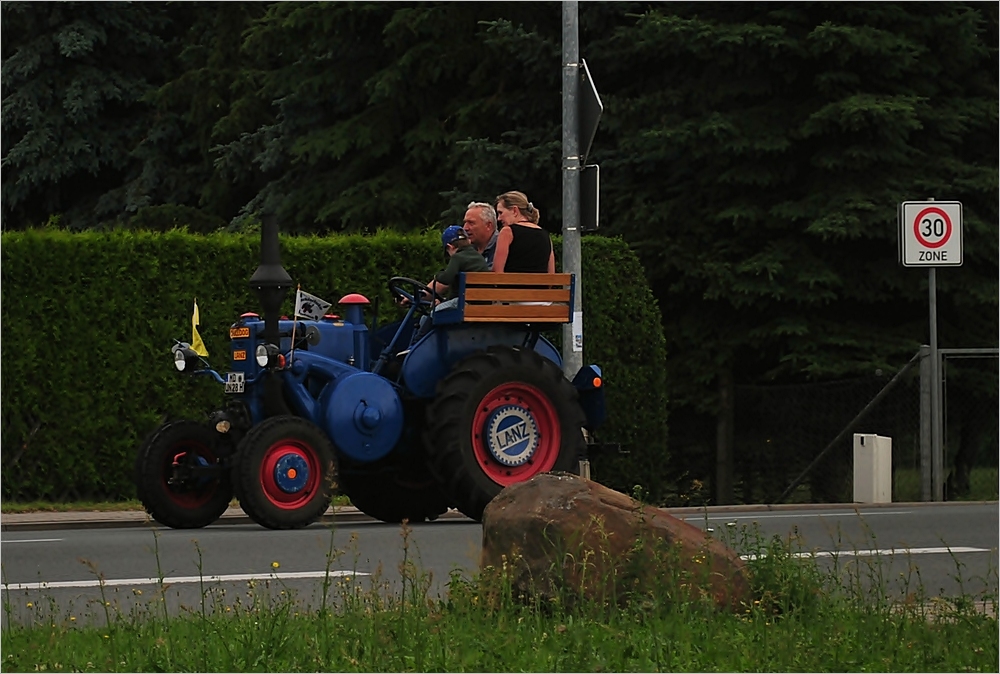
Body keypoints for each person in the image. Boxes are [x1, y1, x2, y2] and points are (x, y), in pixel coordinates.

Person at [411, 225, 488, 339]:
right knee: (443, 306)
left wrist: (437, 276)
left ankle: (416, 343)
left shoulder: (457, 257)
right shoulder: (478, 256)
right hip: (481, 301)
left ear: (449, 247)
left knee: (431, 314)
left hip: (465, 302)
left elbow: (447, 278)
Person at [493, 190, 555, 273]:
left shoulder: (507, 232)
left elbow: (497, 273)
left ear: (515, 211)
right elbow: (551, 275)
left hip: (511, 285)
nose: (499, 218)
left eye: (501, 213)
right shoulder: (545, 235)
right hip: (540, 286)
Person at [462, 201, 499, 270]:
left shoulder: (502, 247)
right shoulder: (467, 250)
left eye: (471, 223)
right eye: (465, 223)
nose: (465, 228)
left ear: (488, 225)